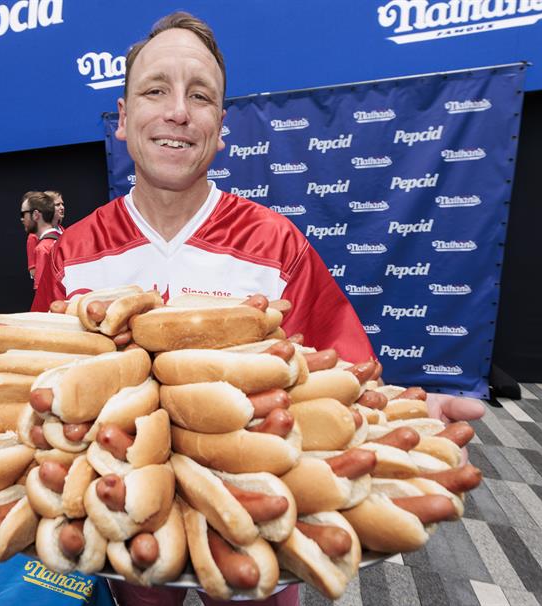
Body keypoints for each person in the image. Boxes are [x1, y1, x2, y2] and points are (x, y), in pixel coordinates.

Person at [32, 12, 485, 606]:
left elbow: (340, 376)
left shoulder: (276, 244)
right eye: (154, 90)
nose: (177, 111)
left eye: (200, 96)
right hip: (125, 515)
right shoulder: (72, 253)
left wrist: (405, 413)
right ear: (121, 119)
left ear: (221, 127)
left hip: (262, 516)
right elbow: (41, 382)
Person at [21, 191, 61, 290]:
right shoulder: (64, 238)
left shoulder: (42, 248)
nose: (22, 219)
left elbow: (42, 292)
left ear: (35, 215)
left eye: (23, 214)